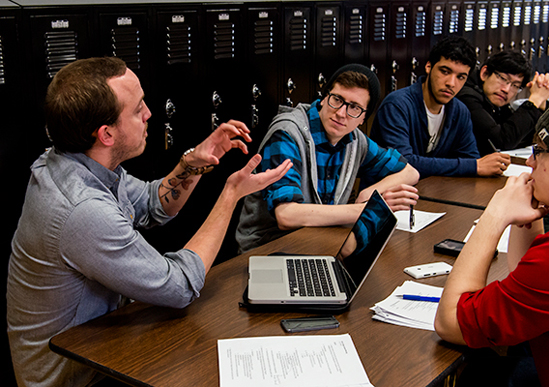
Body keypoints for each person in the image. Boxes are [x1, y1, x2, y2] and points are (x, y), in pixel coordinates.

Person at [6, 57, 292, 387]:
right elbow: (181, 286)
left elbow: (150, 205)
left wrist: (194, 162)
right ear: (107, 134)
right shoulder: (82, 209)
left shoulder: (75, 161)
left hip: (103, 345)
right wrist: (230, 195)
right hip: (76, 377)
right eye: (138, 108)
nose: (150, 114)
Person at [434, 91, 549, 387]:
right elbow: (527, 284)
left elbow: (449, 322)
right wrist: (527, 212)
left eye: (539, 150)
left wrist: (496, 215)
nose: (530, 163)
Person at [236, 64, 420, 253]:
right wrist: (363, 210)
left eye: (354, 108)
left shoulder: (356, 140)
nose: (341, 113)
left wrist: (369, 195)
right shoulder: (287, 134)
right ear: (324, 98)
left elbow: (409, 172)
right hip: (267, 248)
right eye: (337, 99)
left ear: (363, 118)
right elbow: (287, 215)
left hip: (316, 240)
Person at [370, 36, 511, 178]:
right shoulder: (397, 105)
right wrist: (474, 166)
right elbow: (404, 165)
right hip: (388, 195)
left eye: (461, 77)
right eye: (445, 71)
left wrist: (476, 165)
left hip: (434, 193)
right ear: (428, 67)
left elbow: (470, 158)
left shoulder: (459, 111)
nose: (451, 83)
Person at [456, 50, 549, 155]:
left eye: (515, 85)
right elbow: (501, 141)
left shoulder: (495, 99)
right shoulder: (466, 97)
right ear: (485, 73)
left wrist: (541, 105)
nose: (506, 89)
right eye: (503, 79)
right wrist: (534, 102)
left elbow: (522, 137)